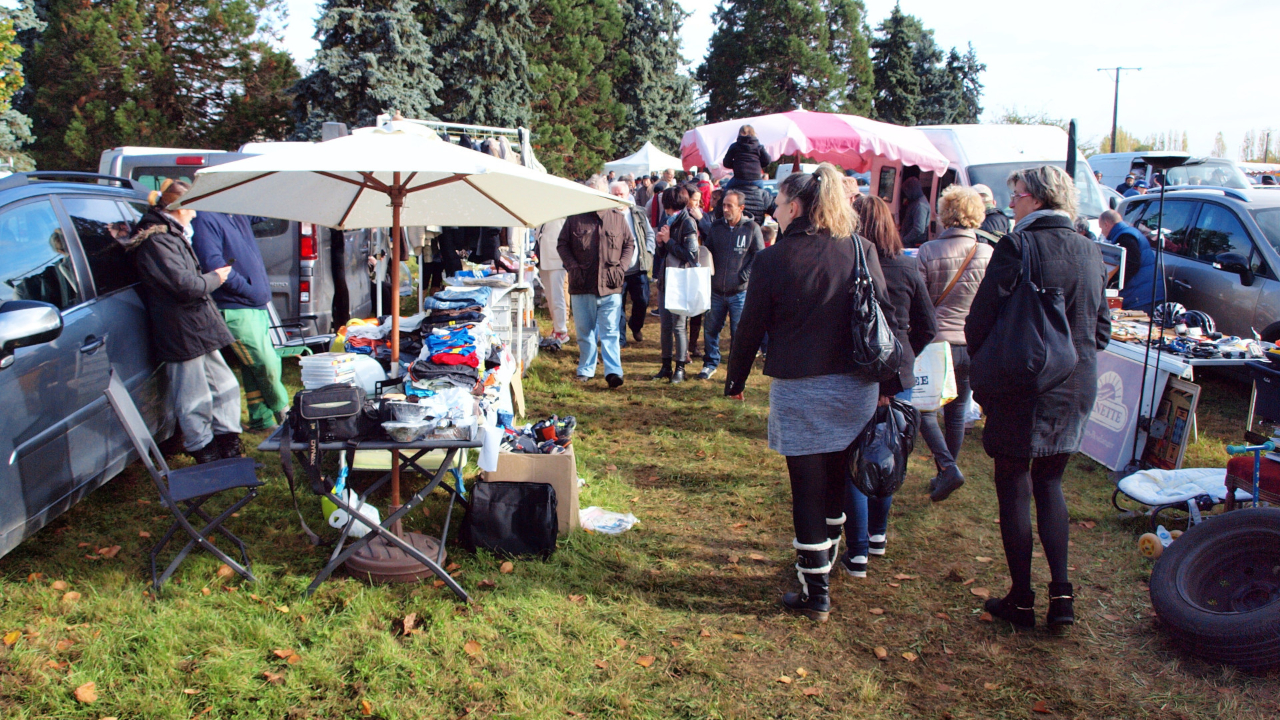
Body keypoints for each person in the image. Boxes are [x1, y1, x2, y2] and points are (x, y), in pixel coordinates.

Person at [724, 163, 896, 621]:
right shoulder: (860, 249)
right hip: (856, 386)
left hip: (800, 388)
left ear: (796, 206)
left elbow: (749, 329)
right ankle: (825, 562)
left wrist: (735, 380)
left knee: (806, 486)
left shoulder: (774, 259)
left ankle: (815, 590)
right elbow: (888, 319)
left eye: (778, 203)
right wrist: (891, 384)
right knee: (838, 476)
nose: (774, 211)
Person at [965, 165, 1110, 630]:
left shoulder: (1018, 245)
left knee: (1014, 484)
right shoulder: (1091, 250)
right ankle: (1061, 597)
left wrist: (991, 369)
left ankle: (1022, 597)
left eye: (1018, 195)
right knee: (1050, 482)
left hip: (1025, 382)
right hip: (1076, 384)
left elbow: (979, 321)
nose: (1011, 204)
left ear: (1039, 199)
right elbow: (1101, 329)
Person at [840, 194, 936, 578]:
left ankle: (860, 548)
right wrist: (907, 352)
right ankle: (876, 535)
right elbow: (928, 325)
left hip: (861, 373)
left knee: (858, 461)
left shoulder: (852, 267)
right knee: (889, 452)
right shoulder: (908, 268)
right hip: (899, 375)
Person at [125, 180, 242, 464]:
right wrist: (216, 278)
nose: (195, 214)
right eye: (192, 208)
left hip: (197, 324)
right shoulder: (157, 240)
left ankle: (228, 441)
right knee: (192, 394)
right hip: (179, 328)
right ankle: (203, 448)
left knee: (225, 384)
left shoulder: (170, 234)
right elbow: (184, 285)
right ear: (179, 207)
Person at [915, 186, 993, 503]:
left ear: (945, 213)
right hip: (971, 342)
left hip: (937, 342)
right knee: (958, 411)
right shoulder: (989, 253)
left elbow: (919, 302)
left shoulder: (929, 250)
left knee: (924, 410)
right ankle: (946, 471)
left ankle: (947, 469)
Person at [190, 211, 288, 432]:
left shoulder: (235, 211)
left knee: (253, 367)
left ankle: (260, 421)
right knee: (266, 363)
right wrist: (247, 289)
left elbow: (262, 209)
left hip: (255, 303)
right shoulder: (206, 217)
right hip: (235, 306)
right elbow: (212, 263)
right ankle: (285, 413)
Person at [557, 175, 635, 388]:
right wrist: (572, 266)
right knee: (585, 331)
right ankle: (586, 368)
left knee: (610, 331)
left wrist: (621, 268)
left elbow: (629, 244)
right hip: (582, 285)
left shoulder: (617, 217)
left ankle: (613, 372)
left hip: (610, 286)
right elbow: (562, 244)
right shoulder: (575, 218)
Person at [695, 189, 764, 381]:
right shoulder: (717, 227)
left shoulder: (751, 228)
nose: (724, 209)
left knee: (738, 332)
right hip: (716, 290)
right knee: (710, 328)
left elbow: (759, 255)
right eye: (723, 205)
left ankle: (735, 370)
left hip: (739, 292)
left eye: (729, 206)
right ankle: (710, 364)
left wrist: (745, 275)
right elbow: (707, 251)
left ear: (741, 208)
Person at [651, 185, 700, 383]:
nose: (668, 211)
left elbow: (691, 255)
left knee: (679, 326)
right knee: (665, 325)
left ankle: (680, 366)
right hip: (666, 279)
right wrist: (661, 243)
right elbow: (663, 255)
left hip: (680, 280)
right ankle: (665, 365)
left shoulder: (688, 223)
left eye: (670, 207)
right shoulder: (667, 219)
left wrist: (669, 241)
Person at [609, 181, 655, 345]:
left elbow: (650, 234)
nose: (618, 197)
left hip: (638, 268)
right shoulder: (606, 215)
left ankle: (636, 326)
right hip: (616, 271)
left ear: (628, 195)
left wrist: (649, 252)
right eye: (614, 194)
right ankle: (620, 339)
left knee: (642, 300)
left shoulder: (638, 213)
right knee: (617, 306)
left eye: (621, 193)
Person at [1099, 209, 1163, 311]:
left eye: (1101, 228)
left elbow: (1131, 265)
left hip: (1142, 295)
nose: (1102, 232)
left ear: (1106, 225)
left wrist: (1112, 284)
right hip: (1147, 291)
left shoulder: (1126, 237)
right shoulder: (1129, 233)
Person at [535, 217, 571, 344]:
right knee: (550, 296)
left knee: (557, 295)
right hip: (543, 258)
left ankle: (561, 331)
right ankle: (557, 328)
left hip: (557, 259)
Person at [721, 125, 772, 190]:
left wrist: (736, 165)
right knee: (764, 194)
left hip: (740, 178)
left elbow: (726, 163)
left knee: (726, 192)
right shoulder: (759, 146)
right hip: (756, 179)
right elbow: (767, 160)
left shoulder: (734, 146)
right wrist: (758, 164)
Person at [899, 176, 931, 247]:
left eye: (907, 191)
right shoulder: (916, 201)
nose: (906, 194)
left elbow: (918, 229)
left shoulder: (920, 205)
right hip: (910, 242)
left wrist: (904, 239)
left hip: (914, 243)